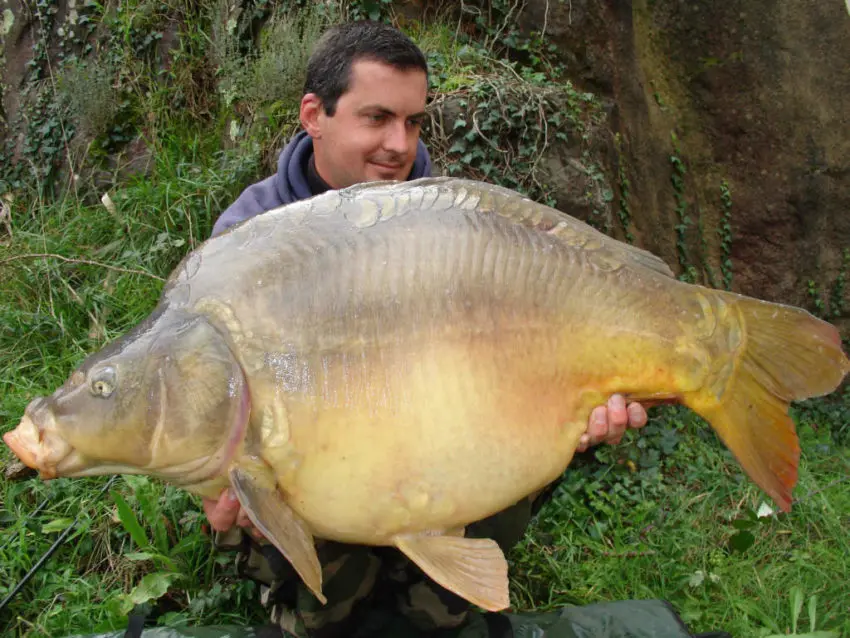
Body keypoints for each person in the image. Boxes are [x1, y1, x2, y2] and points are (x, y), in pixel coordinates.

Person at [204, 19, 654, 638]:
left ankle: (441, 602)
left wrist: (578, 405)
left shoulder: (462, 223)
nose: (400, 143)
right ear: (314, 114)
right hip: (323, 461)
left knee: (441, 610)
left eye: (413, 122)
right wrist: (231, 487)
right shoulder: (245, 243)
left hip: (442, 448)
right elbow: (209, 404)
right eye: (378, 118)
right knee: (323, 602)